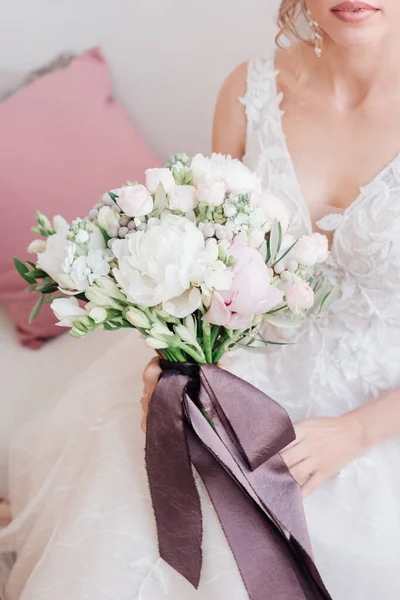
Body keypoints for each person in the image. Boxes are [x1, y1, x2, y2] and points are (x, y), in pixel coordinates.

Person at [1, 0, 400, 598]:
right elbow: (214, 253)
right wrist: (177, 358)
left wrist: (357, 434)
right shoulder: (252, 87)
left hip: (378, 404)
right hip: (243, 366)